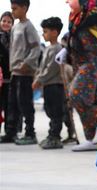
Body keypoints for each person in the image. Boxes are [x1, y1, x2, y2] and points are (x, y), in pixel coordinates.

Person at [62, 0, 97, 151]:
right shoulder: (76, 16)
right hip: (79, 63)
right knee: (89, 100)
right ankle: (92, 137)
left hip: (95, 63)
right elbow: (75, 38)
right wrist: (65, 51)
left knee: (77, 94)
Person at [0, 0, 41, 144]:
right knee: (12, 104)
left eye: (15, 8)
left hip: (25, 73)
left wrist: (27, 63)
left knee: (25, 103)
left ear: (24, 8)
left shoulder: (29, 27)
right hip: (15, 72)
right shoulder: (15, 27)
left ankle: (30, 133)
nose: (13, 11)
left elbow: (36, 48)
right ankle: (10, 132)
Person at [31, 17, 64, 149]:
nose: (43, 34)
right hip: (48, 85)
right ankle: (52, 135)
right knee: (50, 110)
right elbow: (42, 67)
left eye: (45, 31)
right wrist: (38, 78)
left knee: (56, 112)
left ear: (54, 32)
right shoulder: (48, 48)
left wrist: (39, 80)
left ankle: (55, 136)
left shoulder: (57, 49)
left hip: (55, 85)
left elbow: (51, 68)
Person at [0, 11, 13, 134]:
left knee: (10, 105)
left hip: (10, 76)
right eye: (4, 21)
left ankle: (9, 132)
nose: (6, 23)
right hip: (0, 76)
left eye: (9, 22)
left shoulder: (14, 37)